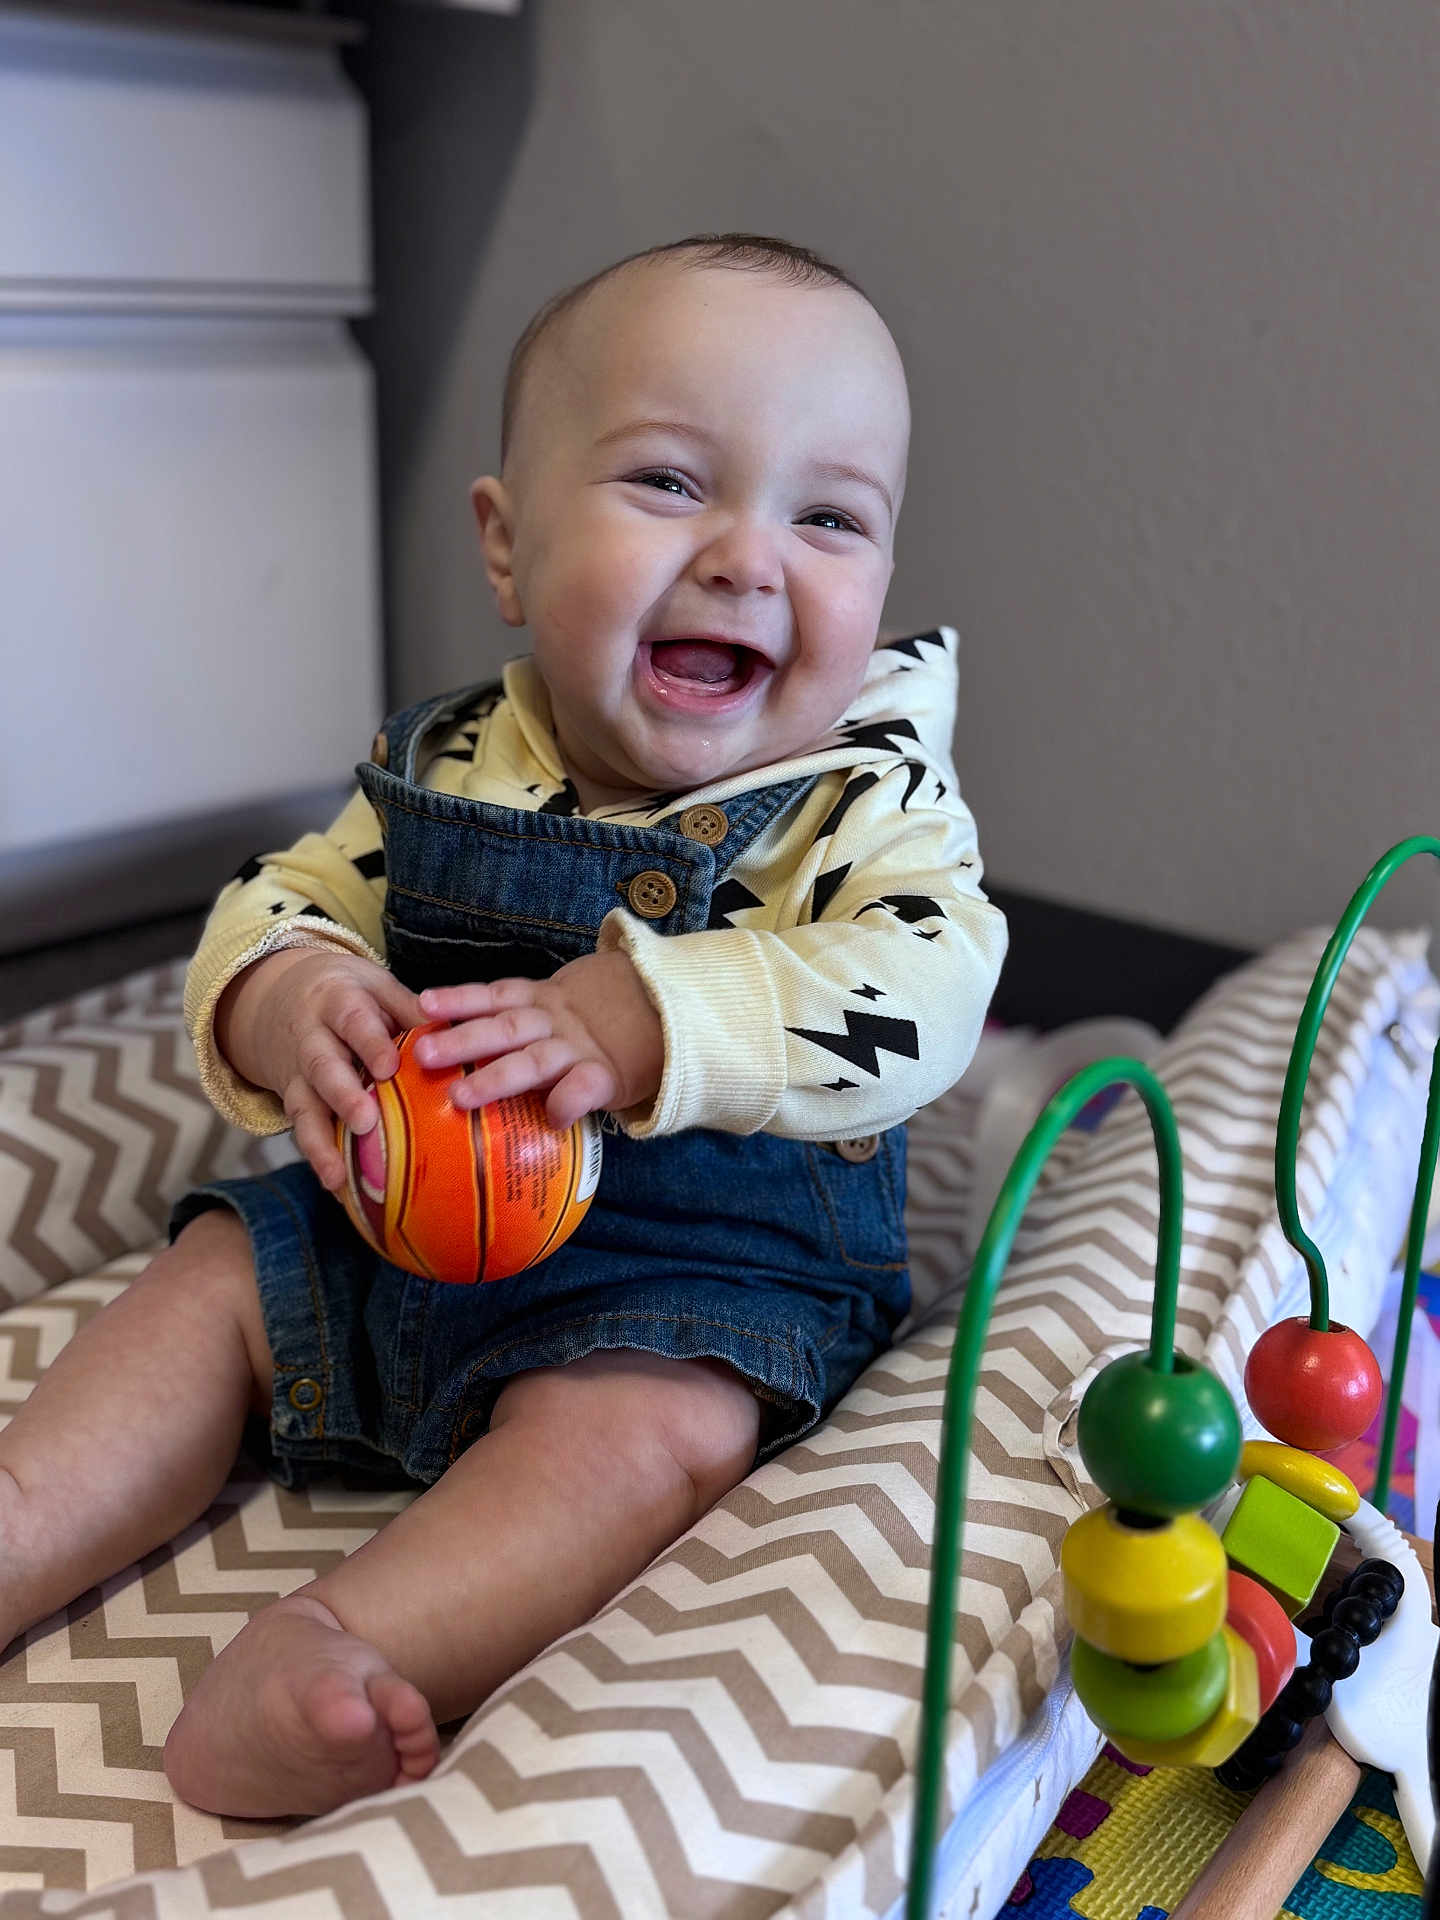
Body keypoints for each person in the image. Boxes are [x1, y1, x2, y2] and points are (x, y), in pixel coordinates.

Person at [0, 235, 1007, 1818]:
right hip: (381, 1221)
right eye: (673, 483)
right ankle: (17, 1524)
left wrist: (651, 1014)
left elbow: (928, 988)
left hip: (686, 1278)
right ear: (509, 545)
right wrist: (294, 1000)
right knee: (206, 1287)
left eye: (829, 517)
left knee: (655, 1441)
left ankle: (335, 1642)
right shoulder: (455, 752)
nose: (752, 556)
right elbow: (292, 893)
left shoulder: (866, 802)